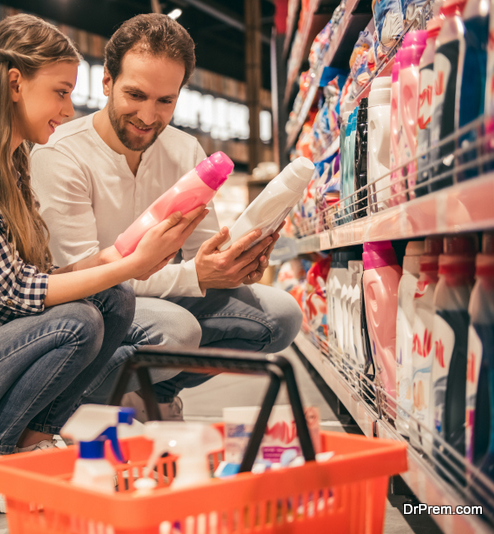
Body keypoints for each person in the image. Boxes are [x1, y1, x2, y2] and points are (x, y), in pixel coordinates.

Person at [0, 14, 205, 513]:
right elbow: (20, 290)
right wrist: (133, 264)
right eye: (60, 92)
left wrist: (130, 253)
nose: (68, 108)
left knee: (112, 300)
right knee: (78, 320)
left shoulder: (12, 167)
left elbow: (48, 277)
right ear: (15, 84)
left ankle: (31, 443)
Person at [31, 13, 303, 420]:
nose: (147, 116)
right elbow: (79, 278)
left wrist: (236, 262)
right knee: (177, 329)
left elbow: (203, 254)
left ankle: (153, 392)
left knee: (282, 316)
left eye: (165, 101)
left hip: (161, 299)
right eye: (135, 95)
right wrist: (195, 276)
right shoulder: (61, 154)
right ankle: (72, 399)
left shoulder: (185, 150)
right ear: (107, 82)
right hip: (91, 309)